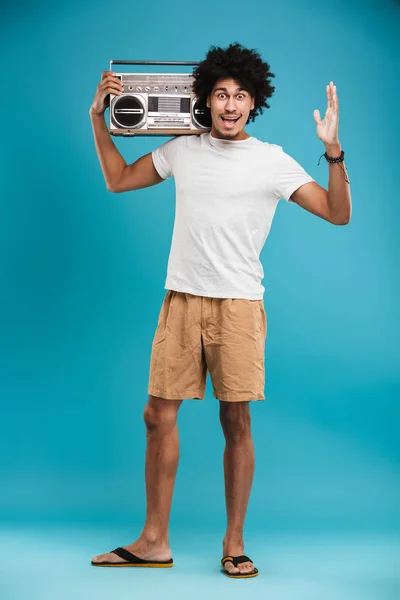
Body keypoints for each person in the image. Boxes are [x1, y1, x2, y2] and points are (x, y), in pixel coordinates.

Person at [89, 42, 351, 578]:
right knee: (156, 415)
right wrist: (98, 119)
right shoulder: (183, 149)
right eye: (220, 94)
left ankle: (234, 543)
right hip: (182, 298)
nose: (230, 104)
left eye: (241, 95)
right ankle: (153, 541)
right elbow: (118, 179)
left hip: (238, 306)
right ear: (205, 101)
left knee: (236, 419)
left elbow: (337, 213)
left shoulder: (273, 160)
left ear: (254, 103)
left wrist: (333, 152)